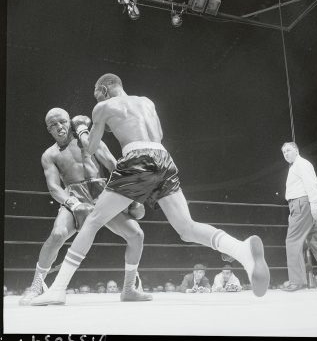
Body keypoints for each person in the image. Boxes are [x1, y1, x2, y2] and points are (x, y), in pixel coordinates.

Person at [31, 73, 270, 305]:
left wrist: (83, 129)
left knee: (93, 220)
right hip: (164, 158)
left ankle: (58, 289)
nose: (99, 102)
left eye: (98, 96)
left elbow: (91, 148)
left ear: (103, 90)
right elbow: (158, 135)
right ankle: (241, 249)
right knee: (186, 228)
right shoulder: (147, 102)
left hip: (137, 159)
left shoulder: (102, 107)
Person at [21, 107, 151, 305]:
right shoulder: (50, 155)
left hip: (102, 193)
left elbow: (113, 165)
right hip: (74, 196)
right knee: (57, 235)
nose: (59, 127)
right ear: (49, 129)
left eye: (62, 122)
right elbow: (55, 188)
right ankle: (36, 286)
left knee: (136, 234)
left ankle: (128, 289)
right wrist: (73, 204)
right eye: (53, 125)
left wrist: (129, 195)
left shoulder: (88, 141)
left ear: (69, 122)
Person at [280, 142, 317, 292]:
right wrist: (313, 205)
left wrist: (314, 205)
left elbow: (312, 185)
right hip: (304, 204)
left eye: (288, 150)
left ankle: (297, 281)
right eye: (283, 152)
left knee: (292, 240)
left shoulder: (301, 164)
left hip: (302, 204)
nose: (286, 154)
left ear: (296, 150)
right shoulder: (297, 165)